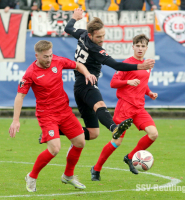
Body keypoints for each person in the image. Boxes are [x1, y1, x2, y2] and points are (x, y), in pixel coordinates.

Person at [9, 40, 97, 192]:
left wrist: (87, 73)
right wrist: (15, 120)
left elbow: (77, 65)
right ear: (37, 56)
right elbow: (20, 96)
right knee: (55, 149)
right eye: (45, 57)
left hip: (64, 111)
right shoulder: (30, 73)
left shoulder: (58, 61)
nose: (49, 59)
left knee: (80, 142)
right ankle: (32, 176)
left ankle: (68, 176)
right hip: (47, 115)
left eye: (50, 55)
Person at [64, 8, 155, 142]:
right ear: (90, 35)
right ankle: (114, 128)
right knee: (100, 104)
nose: (101, 39)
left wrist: (74, 18)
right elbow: (116, 65)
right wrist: (140, 66)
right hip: (86, 83)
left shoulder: (82, 34)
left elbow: (68, 28)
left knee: (93, 133)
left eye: (103, 35)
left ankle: (54, 131)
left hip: (79, 87)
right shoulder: (96, 49)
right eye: (98, 37)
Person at [90, 34, 159, 180]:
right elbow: (113, 83)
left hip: (139, 108)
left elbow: (142, 82)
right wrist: (127, 82)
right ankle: (96, 169)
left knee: (153, 134)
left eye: (143, 46)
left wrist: (149, 92)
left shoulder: (147, 66)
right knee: (117, 142)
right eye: (137, 46)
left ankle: (130, 157)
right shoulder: (127, 64)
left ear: (147, 48)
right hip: (125, 107)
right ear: (133, 47)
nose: (140, 49)